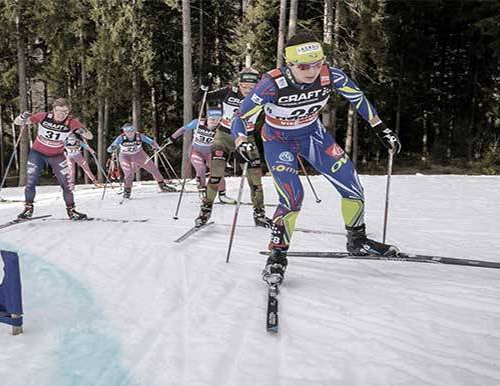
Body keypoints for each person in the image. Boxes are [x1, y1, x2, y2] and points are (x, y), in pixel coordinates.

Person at [230, 33, 402, 286]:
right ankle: (277, 255)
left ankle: (357, 240)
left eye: (317, 63)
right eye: (303, 66)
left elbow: (358, 97)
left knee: (352, 185)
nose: (311, 71)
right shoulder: (271, 84)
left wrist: (380, 128)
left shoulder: (331, 75)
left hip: (313, 136)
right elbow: (241, 117)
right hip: (278, 140)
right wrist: (241, 141)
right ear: (289, 64)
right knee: (292, 197)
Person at [194, 67, 272, 228]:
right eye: (245, 87)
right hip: (223, 136)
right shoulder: (229, 91)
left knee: (255, 180)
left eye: (252, 88)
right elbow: (199, 99)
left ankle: (259, 214)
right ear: (239, 83)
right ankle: (205, 211)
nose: (248, 91)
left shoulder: (262, 95)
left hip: (247, 138)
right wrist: (203, 86)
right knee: (216, 175)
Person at [12, 98, 92, 220]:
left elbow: (89, 136)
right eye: (59, 111)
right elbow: (17, 122)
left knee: (66, 184)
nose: (61, 114)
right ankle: (28, 210)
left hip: (57, 155)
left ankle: (72, 211)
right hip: (37, 153)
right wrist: (22, 116)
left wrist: (82, 131)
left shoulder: (72, 122)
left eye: (65, 112)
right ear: (53, 110)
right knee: (30, 182)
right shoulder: (43, 116)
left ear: (68, 111)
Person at [163, 108, 225, 198]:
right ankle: (202, 188)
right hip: (196, 151)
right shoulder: (198, 122)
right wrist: (172, 138)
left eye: (219, 119)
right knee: (201, 168)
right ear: (207, 117)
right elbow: (183, 129)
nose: (215, 122)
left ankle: (222, 194)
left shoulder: (221, 127)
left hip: (210, 153)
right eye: (212, 119)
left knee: (217, 171)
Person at [106, 123, 177, 199]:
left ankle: (163, 185)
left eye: (131, 129)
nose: (129, 132)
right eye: (127, 130)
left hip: (139, 155)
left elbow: (151, 141)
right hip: (125, 156)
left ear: (134, 129)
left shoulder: (139, 136)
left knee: (153, 169)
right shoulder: (121, 138)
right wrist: (113, 148)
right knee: (129, 173)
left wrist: (156, 147)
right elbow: (109, 149)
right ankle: (127, 190)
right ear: (124, 131)